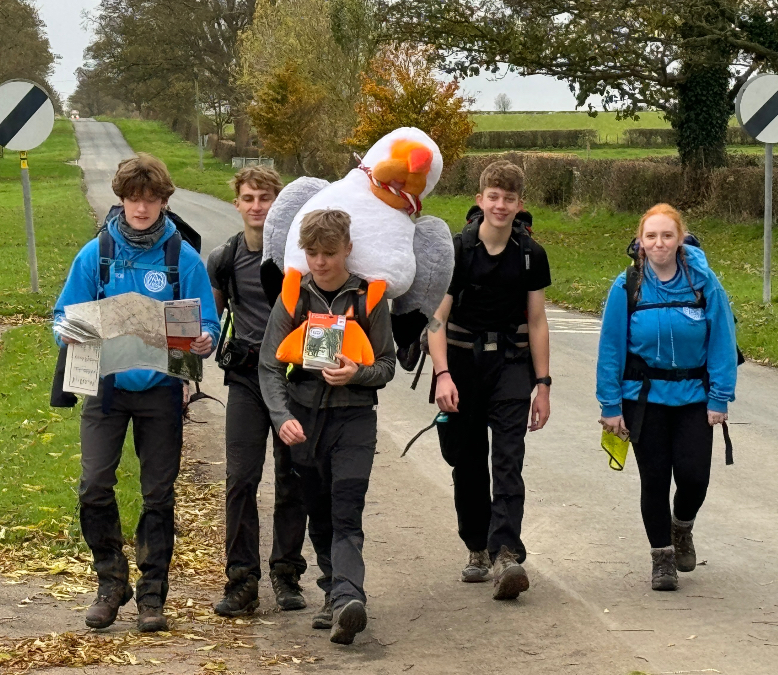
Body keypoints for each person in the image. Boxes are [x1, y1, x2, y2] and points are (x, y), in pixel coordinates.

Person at [54, 153, 219, 631]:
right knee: (94, 486)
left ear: (164, 201)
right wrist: (65, 332)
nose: (141, 209)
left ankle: (152, 597)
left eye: (150, 200)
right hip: (104, 388)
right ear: (121, 200)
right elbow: (62, 315)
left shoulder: (180, 256)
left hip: (161, 391)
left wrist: (205, 338)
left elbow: (205, 320)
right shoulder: (97, 253)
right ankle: (110, 582)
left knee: (158, 495)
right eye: (132, 199)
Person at [258, 209, 395, 645]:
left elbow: (388, 365)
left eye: (330, 253)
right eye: (312, 253)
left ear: (348, 250)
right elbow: (269, 366)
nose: (320, 262)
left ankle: (348, 598)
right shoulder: (294, 296)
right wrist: (282, 418)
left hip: (354, 420)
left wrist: (357, 373)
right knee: (318, 512)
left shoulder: (371, 299)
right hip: (304, 420)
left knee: (346, 511)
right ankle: (334, 593)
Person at [594, 203, 738, 592]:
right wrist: (610, 405)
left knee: (694, 478)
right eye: (651, 236)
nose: (659, 243)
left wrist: (720, 397)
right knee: (654, 479)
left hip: (695, 396)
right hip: (644, 398)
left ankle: (682, 526)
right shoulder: (627, 285)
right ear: (640, 241)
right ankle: (662, 558)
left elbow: (723, 340)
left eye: (667, 236)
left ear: (680, 239)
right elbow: (611, 348)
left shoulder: (705, 283)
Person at [426, 160, 552, 601]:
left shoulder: (530, 255)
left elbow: (537, 322)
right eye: (493, 197)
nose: (501, 205)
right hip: (460, 364)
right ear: (480, 200)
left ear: (520, 205)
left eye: (509, 199)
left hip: (511, 366)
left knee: (508, 460)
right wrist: (442, 374)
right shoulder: (457, 251)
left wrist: (544, 384)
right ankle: (476, 547)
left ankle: (505, 554)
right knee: (467, 461)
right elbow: (436, 320)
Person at [204, 167, 309, 616]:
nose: (256, 206)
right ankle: (242, 581)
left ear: (278, 202)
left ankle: (287, 576)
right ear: (237, 204)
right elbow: (211, 320)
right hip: (246, 379)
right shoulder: (224, 258)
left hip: (294, 380)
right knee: (241, 479)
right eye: (248, 198)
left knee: (293, 479)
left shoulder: (297, 257)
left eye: (265, 198)